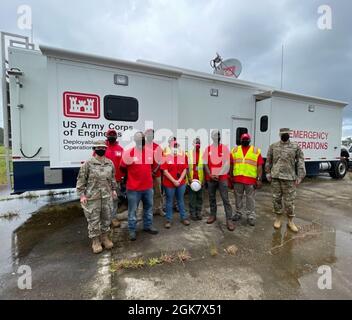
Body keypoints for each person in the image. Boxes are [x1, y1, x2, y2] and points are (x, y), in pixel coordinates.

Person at [76, 140, 117, 254]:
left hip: (106, 196)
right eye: (98, 147)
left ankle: (105, 238)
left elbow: (112, 178)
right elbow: (81, 180)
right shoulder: (88, 163)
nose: (101, 149)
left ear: (106, 149)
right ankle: (95, 241)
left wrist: (114, 190)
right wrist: (82, 195)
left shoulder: (110, 163)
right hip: (92, 197)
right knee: (93, 220)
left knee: (106, 218)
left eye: (103, 148)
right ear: (94, 149)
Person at [265, 128, 306, 232]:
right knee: (276, 199)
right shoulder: (273, 146)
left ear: (289, 134)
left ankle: (290, 221)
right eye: (283, 134)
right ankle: (278, 219)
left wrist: (300, 176)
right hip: (276, 177)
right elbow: (268, 160)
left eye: (286, 134)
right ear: (279, 135)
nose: (285, 135)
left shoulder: (295, 147)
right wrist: (268, 173)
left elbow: (301, 160)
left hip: (289, 178)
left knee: (289, 202)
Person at [120, 131, 159, 241]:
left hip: (148, 187)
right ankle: (132, 230)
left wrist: (151, 173)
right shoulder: (128, 153)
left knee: (148, 208)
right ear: (134, 140)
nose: (140, 140)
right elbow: (122, 167)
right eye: (138, 139)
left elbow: (155, 165)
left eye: (142, 138)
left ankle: (148, 226)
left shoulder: (150, 152)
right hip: (133, 188)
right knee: (133, 211)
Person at [203, 130, 234, 231]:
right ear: (212, 138)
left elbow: (227, 163)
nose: (217, 137)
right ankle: (213, 215)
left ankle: (229, 219)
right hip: (211, 178)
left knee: (225, 199)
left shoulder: (224, 149)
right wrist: (210, 174)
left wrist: (219, 173)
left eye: (218, 136)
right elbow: (205, 164)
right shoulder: (208, 149)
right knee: (212, 198)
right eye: (215, 136)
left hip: (222, 178)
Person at [230, 133, 263, 226]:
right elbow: (231, 165)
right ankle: (238, 213)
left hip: (251, 180)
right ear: (241, 140)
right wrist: (231, 177)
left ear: (249, 140)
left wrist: (259, 179)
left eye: (246, 139)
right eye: (243, 139)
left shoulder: (256, 151)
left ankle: (251, 216)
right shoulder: (234, 150)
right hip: (237, 179)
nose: (245, 141)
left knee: (250, 198)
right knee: (237, 197)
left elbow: (259, 166)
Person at [161, 141, 190, 229]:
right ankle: (168, 220)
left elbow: (185, 169)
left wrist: (180, 180)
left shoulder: (183, 156)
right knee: (169, 201)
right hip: (169, 183)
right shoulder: (165, 157)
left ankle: (183, 218)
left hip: (181, 183)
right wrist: (174, 181)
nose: (175, 147)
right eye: (173, 146)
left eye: (177, 146)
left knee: (180, 200)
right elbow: (165, 171)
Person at [104, 129, 124, 228]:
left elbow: (123, 164)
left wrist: (123, 177)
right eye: (109, 135)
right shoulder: (102, 148)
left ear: (116, 137)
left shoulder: (120, 149)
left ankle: (113, 218)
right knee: (104, 201)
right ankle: (105, 220)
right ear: (107, 136)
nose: (111, 137)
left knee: (115, 200)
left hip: (116, 180)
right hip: (103, 181)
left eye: (113, 135)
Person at [145, 129, 164, 216]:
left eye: (151, 134)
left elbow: (161, 160)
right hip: (146, 175)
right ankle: (150, 210)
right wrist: (149, 172)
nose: (150, 135)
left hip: (157, 174)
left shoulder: (157, 147)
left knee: (158, 192)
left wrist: (155, 170)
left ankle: (159, 209)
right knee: (148, 193)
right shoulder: (142, 146)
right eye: (148, 134)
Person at [187, 137, 204, 221]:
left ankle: (198, 212)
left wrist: (203, 180)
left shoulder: (203, 154)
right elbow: (186, 167)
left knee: (199, 197)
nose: (198, 144)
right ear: (193, 144)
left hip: (200, 180)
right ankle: (192, 213)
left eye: (199, 142)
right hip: (192, 180)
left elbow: (204, 167)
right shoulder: (189, 154)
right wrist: (189, 178)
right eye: (196, 142)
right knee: (192, 198)